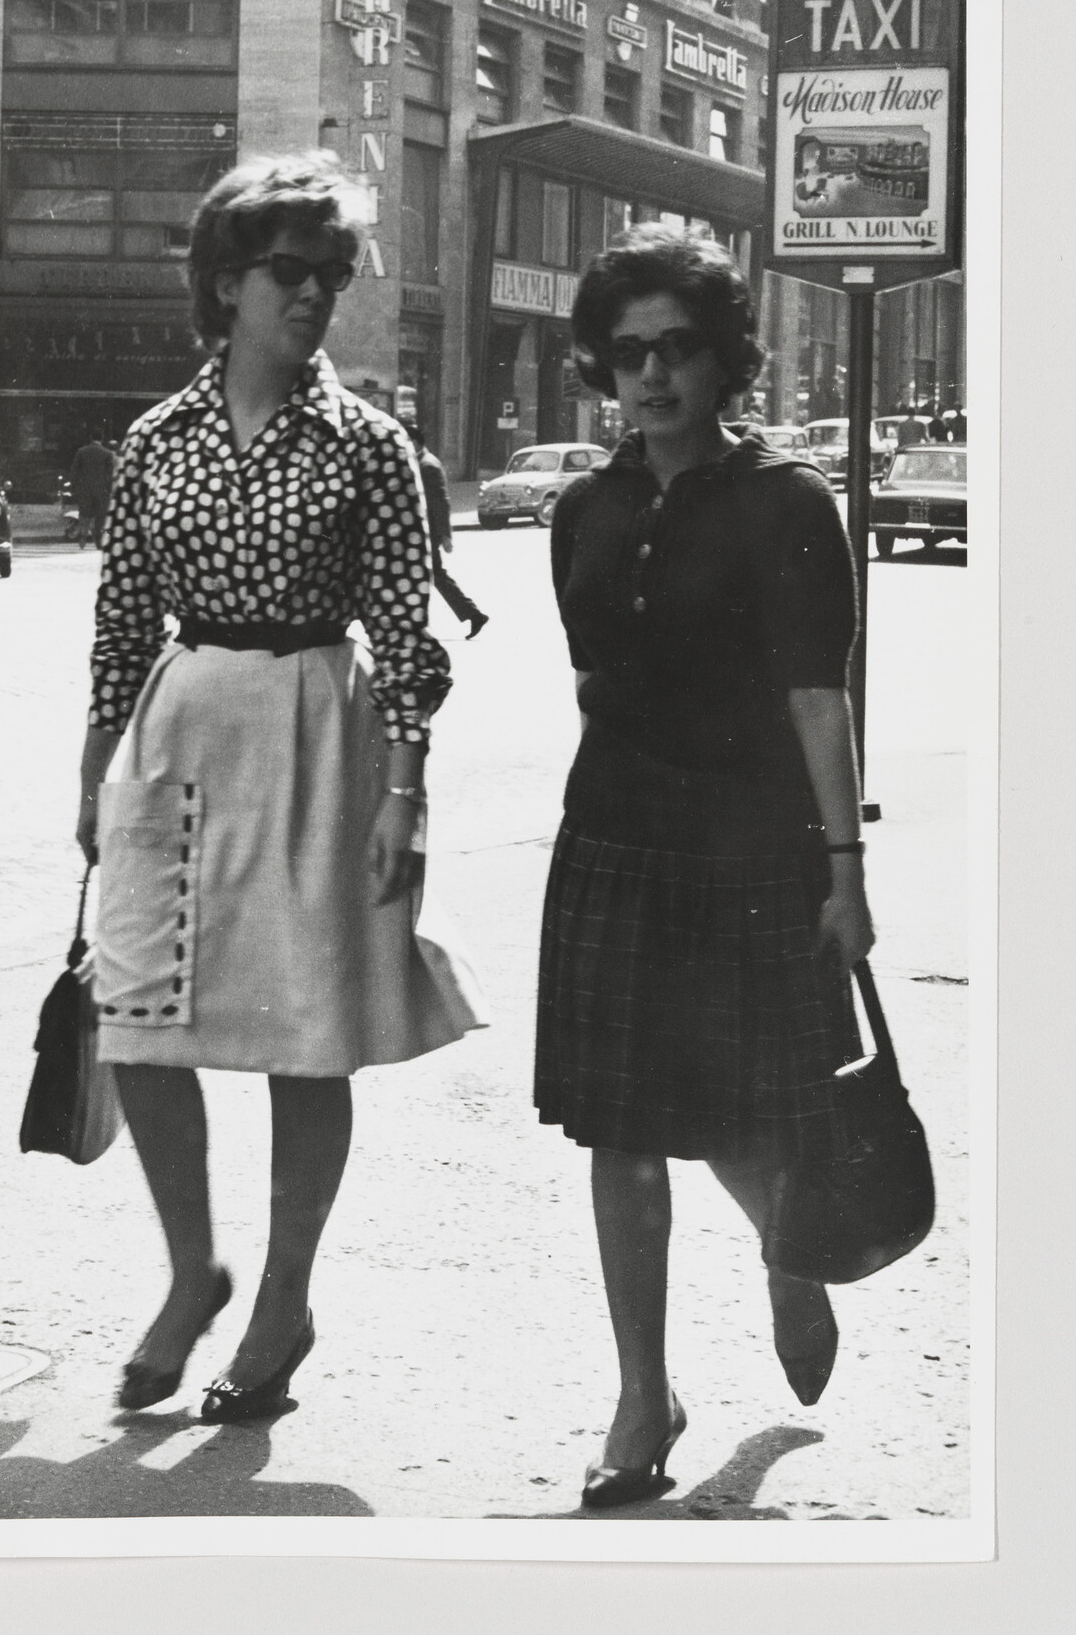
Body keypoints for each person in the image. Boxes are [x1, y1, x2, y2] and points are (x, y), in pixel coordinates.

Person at [77, 150, 482, 1425]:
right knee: (137, 1011)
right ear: (224, 282)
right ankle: (193, 1266)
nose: (314, 293)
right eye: (288, 270)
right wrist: (92, 778)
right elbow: (119, 620)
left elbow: (405, 632)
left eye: (333, 271)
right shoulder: (154, 440)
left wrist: (403, 795)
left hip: (317, 724)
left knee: (304, 1038)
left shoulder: (369, 446)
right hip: (179, 723)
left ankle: (282, 1298)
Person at [534, 223, 874, 1510]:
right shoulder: (583, 505)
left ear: (721, 359)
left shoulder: (786, 504)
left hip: (745, 843)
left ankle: (788, 1258)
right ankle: (641, 1393)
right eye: (627, 355)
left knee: (734, 1116)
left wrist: (841, 866)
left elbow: (813, 700)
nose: (652, 376)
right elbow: (589, 676)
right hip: (614, 837)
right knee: (620, 1130)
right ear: (601, 367)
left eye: (677, 349)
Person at [403, 420, 488, 639]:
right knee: (430, 576)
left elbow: (441, 502)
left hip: (427, 532)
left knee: (430, 576)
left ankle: (471, 614)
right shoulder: (419, 462)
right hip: (420, 532)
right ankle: (471, 614)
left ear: (414, 442)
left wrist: (446, 535)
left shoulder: (427, 465)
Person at [68, 432, 117, 547]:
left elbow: (74, 470)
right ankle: (98, 541)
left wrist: (73, 487)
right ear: (102, 439)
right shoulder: (107, 453)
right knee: (100, 516)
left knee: (85, 514)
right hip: (101, 490)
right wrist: (109, 490)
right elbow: (108, 475)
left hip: (84, 489)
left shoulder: (81, 451)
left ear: (90, 438)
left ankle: (83, 536)